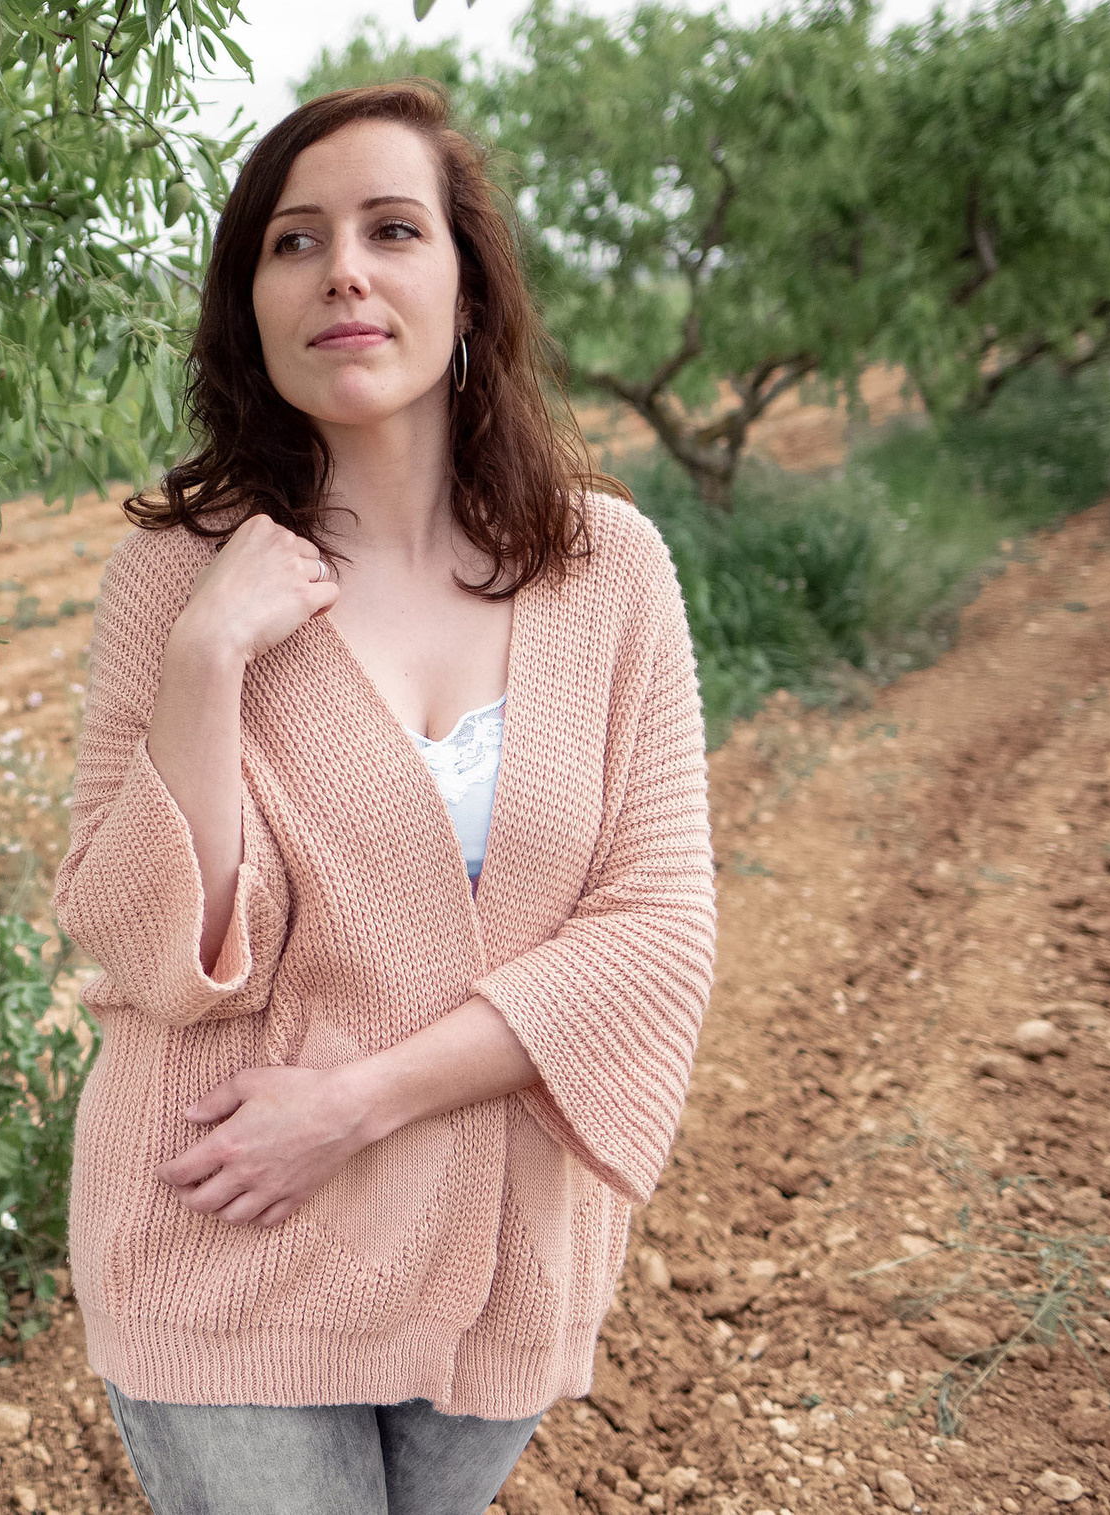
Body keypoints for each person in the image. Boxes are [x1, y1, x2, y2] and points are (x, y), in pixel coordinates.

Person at [51, 80, 718, 1514]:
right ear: (251, 308)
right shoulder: (176, 576)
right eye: (293, 241)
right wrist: (208, 658)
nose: (342, 270)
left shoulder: (607, 571)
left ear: (469, 288)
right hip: (227, 1224)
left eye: (392, 230)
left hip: (499, 1252)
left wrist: (355, 1104)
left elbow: (655, 935)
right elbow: (152, 949)